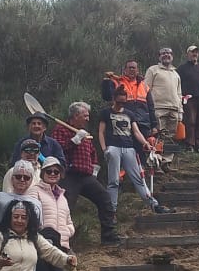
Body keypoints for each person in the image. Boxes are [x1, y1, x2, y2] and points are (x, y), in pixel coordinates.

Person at [50, 102, 117, 243]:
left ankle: (108, 237)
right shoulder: (61, 129)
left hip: (86, 177)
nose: (88, 119)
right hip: (69, 175)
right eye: (85, 115)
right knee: (65, 208)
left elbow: (92, 153)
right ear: (75, 115)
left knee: (105, 199)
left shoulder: (85, 134)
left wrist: (94, 169)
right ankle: (61, 241)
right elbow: (57, 149)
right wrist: (75, 140)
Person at [98, 84, 165, 217]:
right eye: (119, 102)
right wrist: (105, 149)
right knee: (114, 181)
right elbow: (101, 132)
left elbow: (136, 131)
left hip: (129, 148)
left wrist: (146, 143)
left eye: (124, 102)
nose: (121, 104)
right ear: (114, 99)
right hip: (113, 147)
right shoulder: (106, 113)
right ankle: (112, 210)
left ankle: (153, 204)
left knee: (139, 178)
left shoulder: (129, 114)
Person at [34, 159, 75, 271]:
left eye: (56, 172)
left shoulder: (62, 196)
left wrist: (65, 233)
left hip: (61, 244)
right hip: (43, 242)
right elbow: (31, 214)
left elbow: (69, 222)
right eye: (48, 171)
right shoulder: (35, 191)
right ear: (42, 173)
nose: (52, 174)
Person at [100, 60, 157, 137]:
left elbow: (151, 107)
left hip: (143, 124)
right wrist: (106, 81)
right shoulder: (118, 83)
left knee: (142, 148)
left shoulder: (144, 86)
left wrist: (154, 125)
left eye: (134, 68)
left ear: (137, 70)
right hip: (123, 122)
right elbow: (107, 97)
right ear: (124, 70)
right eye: (129, 68)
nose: (132, 70)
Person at [143, 48, 184, 145]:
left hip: (174, 109)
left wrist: (180, 111)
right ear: (159, 57)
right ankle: (157, 158)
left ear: (172, 56)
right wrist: (147, 107)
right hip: (158, 108)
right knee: (158, 135)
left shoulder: (176, 73)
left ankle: (167, 159)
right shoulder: (153, 70)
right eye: (163, 53)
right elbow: (145, 89)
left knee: (171, 137)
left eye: (169, 53)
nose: (166, 55)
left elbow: (179, 93)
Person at [178, 44, 199, 151]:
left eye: (196, 52)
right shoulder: (181, 69)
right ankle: (189, 144)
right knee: (190, 122)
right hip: (189, 99)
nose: (194, 54)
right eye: (192, 52)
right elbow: (177, 83)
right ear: (188, 54)